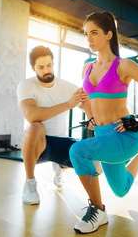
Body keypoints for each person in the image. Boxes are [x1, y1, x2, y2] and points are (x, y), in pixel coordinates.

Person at [68, 11, 138, 234]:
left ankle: (98, 210)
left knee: (77, 151)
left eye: (94, 33)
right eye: (86, 34)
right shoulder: (87, 68)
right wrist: (90, 116)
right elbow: (86, 98)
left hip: (124, 136)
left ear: (109, 34)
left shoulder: (123, 66)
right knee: (121, 190)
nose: (89, 39)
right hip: (102, 136)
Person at [16, 45, 90, 205]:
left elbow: (89, 106)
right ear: (33, 68)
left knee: (96, 166)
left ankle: (60, 167)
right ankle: (29, 183)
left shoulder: (67, 87)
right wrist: (68, 104)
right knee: (35, 126)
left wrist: (95, 119)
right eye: (41, 67)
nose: (46, 70)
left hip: (61, 142)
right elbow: (31, 115)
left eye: (49, 65)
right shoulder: (26, 85)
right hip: (39, 142)